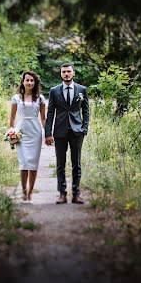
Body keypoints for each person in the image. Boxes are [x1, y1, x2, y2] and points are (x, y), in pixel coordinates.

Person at [44, 63, 89, 204]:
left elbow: (86, 111)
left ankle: (76, 194)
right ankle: (62, 194)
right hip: (60, 132)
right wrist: (48, 133)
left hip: (77, 132)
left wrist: (84, 129)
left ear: (73, 73)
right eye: (64, 72)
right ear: (61, 74)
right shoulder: (54, 91)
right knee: (60, 164)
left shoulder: (82, 89)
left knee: (76, 164)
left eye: (69, 71)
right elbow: (50, 113)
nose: (66, 74)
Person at [8, 71, 46, 202]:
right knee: (23, 164)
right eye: (27, 80)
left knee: (33, 165)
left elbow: (43, 118)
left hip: (35, 133)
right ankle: (24, 191)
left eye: (32, 80)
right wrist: (11, 132)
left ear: (35, 83)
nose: (29, 82)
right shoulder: (16, 98)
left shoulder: (40, 98)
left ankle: (30, 192)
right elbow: (12, 118)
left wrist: (48, 134)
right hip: (21, 133)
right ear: (23, 82)